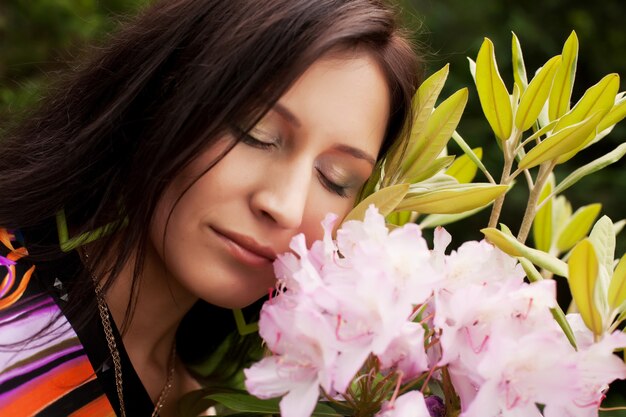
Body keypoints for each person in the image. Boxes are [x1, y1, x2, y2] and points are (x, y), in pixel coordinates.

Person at [0, 0, 421, 415]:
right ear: (165, 93)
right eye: (258, 134)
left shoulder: (197, 403)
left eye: (335, 178)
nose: (286, 207)